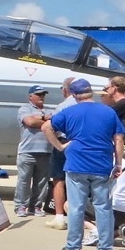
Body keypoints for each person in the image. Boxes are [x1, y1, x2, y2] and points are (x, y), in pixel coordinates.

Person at [42, 77, 125, 250]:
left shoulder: (69, 111)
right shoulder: (108, 112)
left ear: (74, 94)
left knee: (76, 207)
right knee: (103, 207)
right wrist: (118, 163)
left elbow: (46, 127)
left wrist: (60, 146)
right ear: (91, 92)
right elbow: (118, 139)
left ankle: (73, 248)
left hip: (76, 164)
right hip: (102, 165)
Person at [14, 84, 53, 217]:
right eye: (39, 94)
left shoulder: (49, 110)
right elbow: (29, 122)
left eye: (43, 94)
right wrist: (45, 120)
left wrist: (42, 121)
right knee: (24, 180)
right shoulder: (25, 108)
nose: (42, 97)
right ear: (30, 96)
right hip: (27, 151)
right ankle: (21, 206)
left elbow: (55, 124)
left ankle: (36, 206)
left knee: (42, 181)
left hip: (45, 151)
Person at [44, 77, 75, 230]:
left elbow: (49, 128)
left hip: (64, 143)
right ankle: (79, 216)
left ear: (65, 89)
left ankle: (59, 217)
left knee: (58, 179)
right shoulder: (90, 105)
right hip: (80, 144)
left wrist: (59, 145)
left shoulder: (63, 106)